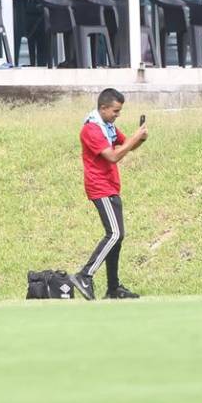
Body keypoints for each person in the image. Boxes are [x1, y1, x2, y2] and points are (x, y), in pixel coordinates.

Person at [70, 88, 147, 301]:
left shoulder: (108, 126)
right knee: (114, 234)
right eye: (115, 111)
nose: (117, 115)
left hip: (112, 186)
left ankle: (113, 288)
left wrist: (140, 138)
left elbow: (126, 146)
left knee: (117, 238)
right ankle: (84, 275)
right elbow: (113, 156)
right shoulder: (92, 129)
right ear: (103, 108)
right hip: (99, 186)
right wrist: (134, 139)